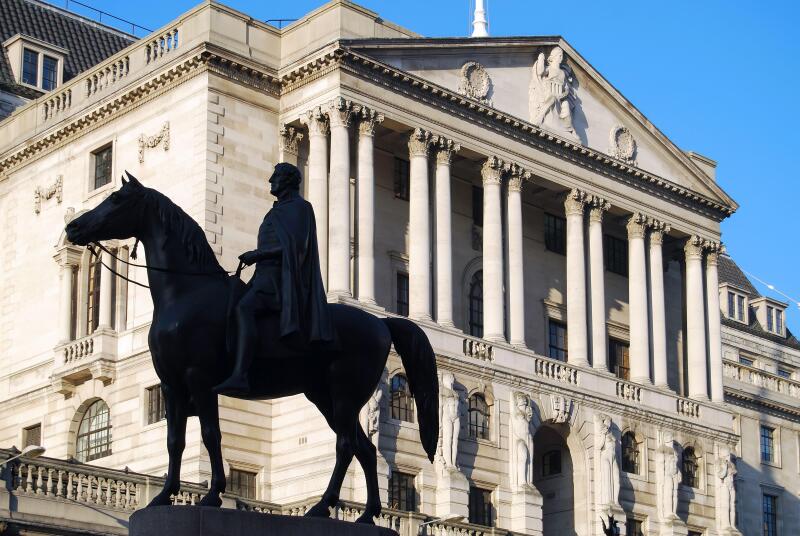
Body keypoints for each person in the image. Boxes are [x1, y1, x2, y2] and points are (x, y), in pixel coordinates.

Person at [214, 163, 333, 395]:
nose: (270, 180)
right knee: (226, 306)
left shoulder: (300, 208)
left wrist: (258, 254)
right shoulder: (277, 210)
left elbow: (296, 247)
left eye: (276, 176)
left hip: (281, 281)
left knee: (243, 309)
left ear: (288, 180)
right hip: (263, 277)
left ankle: (240, 375)